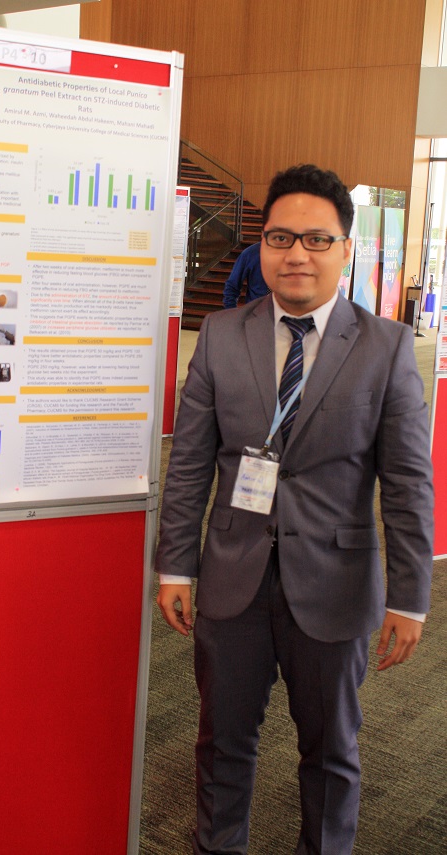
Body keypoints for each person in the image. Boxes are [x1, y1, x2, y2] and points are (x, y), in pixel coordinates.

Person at [155, 164, 434, 855]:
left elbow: (406, 483)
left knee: (331, 750)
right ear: (262, 247)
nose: (297, 254)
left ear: (346, 249)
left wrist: (410, 597)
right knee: (222, 740)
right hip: (234, 577)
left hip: (337, 583)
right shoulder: (222, 333)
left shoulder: (387, 348)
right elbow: (190, 462)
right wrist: (175, 567)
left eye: (317, 239)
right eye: (281, 237)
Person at [223, 241, 270, 308]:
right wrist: (231, 311)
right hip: (255, 310)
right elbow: (232, 286)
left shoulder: (286, 255)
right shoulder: (250, 253)